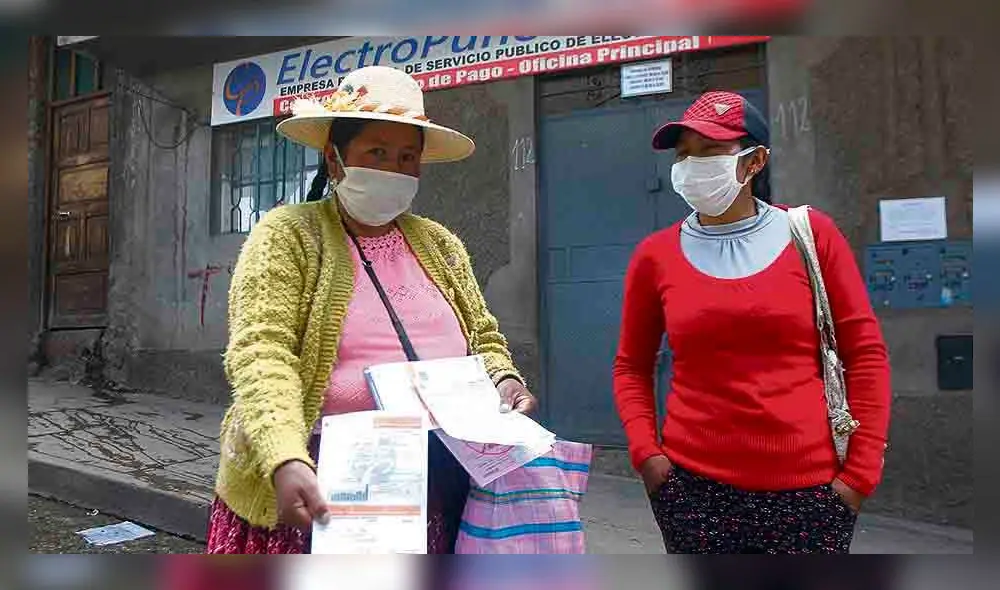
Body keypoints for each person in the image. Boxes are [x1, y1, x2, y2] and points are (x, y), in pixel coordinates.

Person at [207, 66, 538, 554]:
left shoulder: (440, 245)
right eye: (376, 153)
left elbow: (483, 339)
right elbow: (262, 352)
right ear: (335, 160)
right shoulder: (287, 236)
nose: (393, 170)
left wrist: (505, 380)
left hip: (433, 480)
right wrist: (283, 455)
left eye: (407, 157)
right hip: (313, 478)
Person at [612, 91, 891, 554]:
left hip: (811, 495)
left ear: (755, 160)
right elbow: (631, 366)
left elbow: (865, 356)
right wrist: (648, 457)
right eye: (684, 153)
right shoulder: (654, 256)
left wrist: (857, 480)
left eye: (710, 151)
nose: (691, 165)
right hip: (692, 492)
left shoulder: (810, 235)